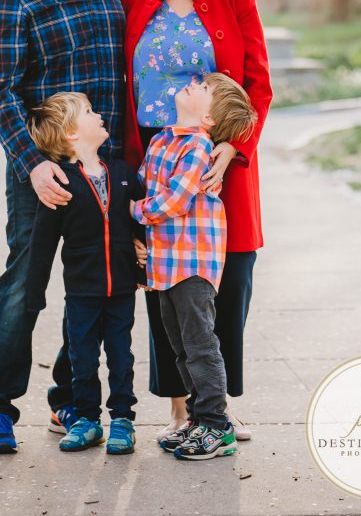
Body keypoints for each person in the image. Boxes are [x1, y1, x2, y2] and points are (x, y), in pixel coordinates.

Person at [0, 0, 125, 454]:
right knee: (25, 289)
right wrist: (32, 164)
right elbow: (2, 93)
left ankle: (70, 397)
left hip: (103, 170)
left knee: (96, 288)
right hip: (42, 172)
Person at [122, 0, 273, 442]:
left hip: (219, 161)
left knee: (227, 283)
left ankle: (219, 407)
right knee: (166, 283)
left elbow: (258, 84)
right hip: (155, 163)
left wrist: (233, 149)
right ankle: (181, 409)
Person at [132, 72, 256, 460]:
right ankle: (198, 420)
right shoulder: (163, 140)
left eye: (205, 88)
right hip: (165, 264)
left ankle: (217, 427)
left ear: (210, 121)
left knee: (201, 346)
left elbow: (173, 201)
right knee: (181, 348)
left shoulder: (199, 147)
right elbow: (146, 181)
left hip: (193, 263)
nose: (195, 82)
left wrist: (130, 212)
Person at [26, 92, 144, 456]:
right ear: (72, 135)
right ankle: (87, 422)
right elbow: (42, 243)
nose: (100, 115)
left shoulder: (123, 174)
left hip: (122, 289)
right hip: (81, 293)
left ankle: (123, 420)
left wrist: (144, 254)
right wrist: (34, 292)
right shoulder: (62, 185)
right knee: (83, 358)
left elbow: (141, 224)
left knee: (121, 356)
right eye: (90, 112)